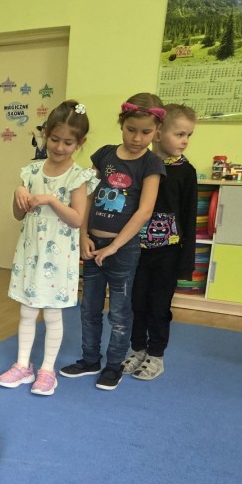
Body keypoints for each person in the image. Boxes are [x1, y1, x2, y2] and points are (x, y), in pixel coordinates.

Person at [59, 93, 167, 390]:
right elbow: (87, 196)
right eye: (131, 130)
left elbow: (144, 211)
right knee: (89, 309)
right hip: (93, 245)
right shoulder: (105, 155)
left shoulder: (151, 163)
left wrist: (115, 246)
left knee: (119, 312)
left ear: (157, 131)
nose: (137, 138)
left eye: (146, 132)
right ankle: (90, 359)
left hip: (122, 250)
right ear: (122, 124)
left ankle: (113, 365)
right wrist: (83, 235)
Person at [0, 100, 95, 396]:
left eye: (68, 142)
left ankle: (47, 370)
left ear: (80, 143)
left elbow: (77, 219)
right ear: (45, 135)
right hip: (31, 254)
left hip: (58, 257)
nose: (59, 147)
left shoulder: (77, 176)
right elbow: (18, 215)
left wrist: (51, 200)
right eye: (54, 139)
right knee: (27, 311)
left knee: (52, 315)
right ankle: (22, 365)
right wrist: (19, 193)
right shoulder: (32, 171)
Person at [122, 104, 198, 380]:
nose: (185, 141)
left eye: (188, 135)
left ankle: (156, 355)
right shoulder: (142, 164)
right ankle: (137, 349)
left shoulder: (186, 172)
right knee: (136, 303)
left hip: (167, 253)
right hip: (136, 250)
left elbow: (189, 216)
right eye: (179, 134)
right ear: (158, 133)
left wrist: (185, 260)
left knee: (158, 306)